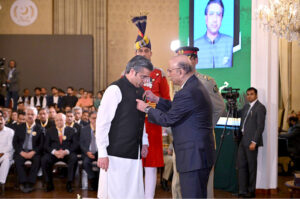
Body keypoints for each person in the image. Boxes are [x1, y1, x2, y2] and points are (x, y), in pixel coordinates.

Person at [136, 55, 215, 198]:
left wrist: (147, 108)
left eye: (170, 71)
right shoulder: (194, 86)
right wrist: (157, 100)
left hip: (193, 158)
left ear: (181, 71)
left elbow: (168, 119)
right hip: (199, 155)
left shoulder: (187, 92)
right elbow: (178, 108)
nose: (169, 74)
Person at [96, 55, 153, 199]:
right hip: (115, 153)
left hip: (135, 151)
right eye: (143, 76)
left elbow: (141, 119)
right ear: (132, 71)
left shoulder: (141, 91)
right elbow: (102, 123)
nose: (145, 81)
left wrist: (144, 141)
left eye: (147, 77)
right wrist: (102, 152)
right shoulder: (115, 89)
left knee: (134, 193)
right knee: (116, 193)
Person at [175, 46, 225, 198]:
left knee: (204, 185)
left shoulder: (206, 82)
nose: (185, 62)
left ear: (195, 60)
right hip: (181, 141)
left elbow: (219, 108)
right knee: (178, 184)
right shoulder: (176, 83)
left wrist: (203, 128)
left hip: (201, 143)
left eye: (189, 58)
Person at [132, 15, 171, 199]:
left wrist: (151, 107)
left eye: (146, 50)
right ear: (135, 53)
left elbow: (167, 101)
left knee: (151, 165)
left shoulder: (159, 74)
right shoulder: (128, 74)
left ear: (151, 53)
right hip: (133, 125)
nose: (143, 54)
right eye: (140, 51)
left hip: (153, 124)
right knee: (134, 164)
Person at [237, 87, 266, 198]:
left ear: (256, 95)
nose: (249, 96)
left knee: (251, 167)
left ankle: (251, 191)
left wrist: (254, 141)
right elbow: (237, 114)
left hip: (251, 142)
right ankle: (242, 190)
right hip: (242, 141)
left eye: (251, 94)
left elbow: (260, 127)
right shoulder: (246, 107)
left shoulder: (260, 108)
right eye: (248, 94)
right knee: (241, 166)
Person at [41, 113, 78, 193]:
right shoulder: (50, 130)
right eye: (57, 120)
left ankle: (69, 183)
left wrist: (66, 152)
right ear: (54, 121)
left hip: (67, 153)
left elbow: (75, 145)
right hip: (54, 153)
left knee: (74, 158)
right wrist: (54, 152)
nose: (59, 122)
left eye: (61, 120)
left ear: (65, 120)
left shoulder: (72, 130)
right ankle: (49, 183)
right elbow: (46, 145)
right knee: (44, 159)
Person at [194, 0, 233, 69]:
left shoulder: (231, 42)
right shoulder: (195, 45)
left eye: (218, 14)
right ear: (206, 18)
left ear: (222, 18)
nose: (215, 19)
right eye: (211, 14)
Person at [13, 106, 44, 193]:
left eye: (32, 114)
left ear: (36, 116)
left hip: (34, 152)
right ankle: (23, 182)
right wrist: (21, 152)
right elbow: (15, 142)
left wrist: (33, 152)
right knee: (18, 160)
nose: (30, 116)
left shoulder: (40, 128)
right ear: (25, 115)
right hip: (21, 152)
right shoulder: (19, 127)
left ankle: (31, 182)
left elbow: (41, 144)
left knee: (37, 160)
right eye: (28, 114)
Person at [80, 111, 99, 191]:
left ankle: (100, 181)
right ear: (90, 119)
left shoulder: (102, 128)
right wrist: (87, 152)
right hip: (89, 152)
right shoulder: (84, 129)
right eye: (94, 118)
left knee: (103, 163)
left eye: (97, 118)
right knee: (86, 163)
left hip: (100, 153)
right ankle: (93, 179)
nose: (96, 120)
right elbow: (81, 143)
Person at [0, 110, 14, 193]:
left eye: (1, 120)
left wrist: (1, 153)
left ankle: (2, 182)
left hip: (6, 154)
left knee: (6, 158)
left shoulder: (10, 131)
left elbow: (10, 147)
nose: (0, 122)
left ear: (5, 122)